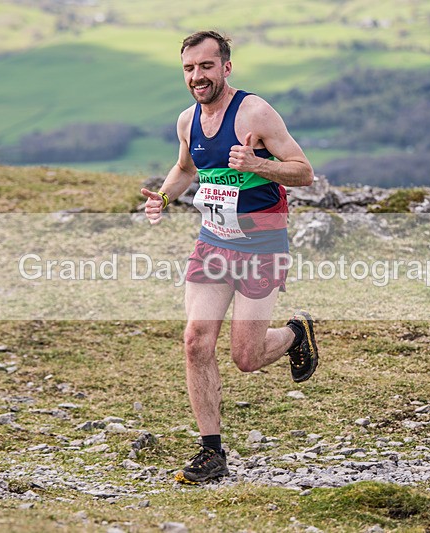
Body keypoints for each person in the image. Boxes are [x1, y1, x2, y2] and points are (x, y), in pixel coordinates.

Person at [140, 30, 319, 484]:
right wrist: (163, 195)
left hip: (261, 243)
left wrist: (258, 164)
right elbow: (185, 168)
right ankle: (211, 452)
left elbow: (304, 172)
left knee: (247, 356)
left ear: (225, 67)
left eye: (205, 66)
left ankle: (296, 335)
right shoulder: (187, 121)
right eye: (188, 68)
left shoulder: (254, 112)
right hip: (213, 241)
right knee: (196, 340)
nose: (197, 76)